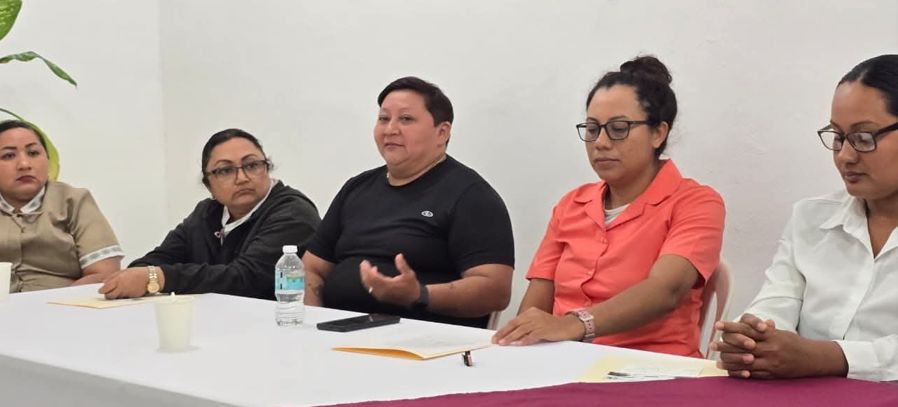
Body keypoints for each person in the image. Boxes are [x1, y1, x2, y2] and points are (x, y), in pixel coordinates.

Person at [493, 56, 725, 357]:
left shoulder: (696, 202)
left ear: (658, 133)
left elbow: (665, 290)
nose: (600, 142)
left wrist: (574, 325)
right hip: (562, 362)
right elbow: (536, 304)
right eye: (592, 129)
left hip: (651, 367)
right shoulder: (572, 204)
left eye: (618, 128)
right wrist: (523, 340)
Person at [713, 54, 898, 381]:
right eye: (838, 137)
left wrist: (828, 357)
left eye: (863, 138)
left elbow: (819, 357)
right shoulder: (811, 218)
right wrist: (751, 338)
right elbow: (776, 302)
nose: (845, 156)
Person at [302, 76, 515, 328]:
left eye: (405, 119)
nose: (390, 129)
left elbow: (494, 290)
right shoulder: (356, 188)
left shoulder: (471, 196)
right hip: (335, 331)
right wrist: (312, 322)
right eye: (383, 119)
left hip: (422, 340)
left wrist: (419, 294)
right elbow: (312, 268)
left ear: (442, 132)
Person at [100, 128, 320, 300]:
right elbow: (157, 259)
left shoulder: (293, 213)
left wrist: (159, 278)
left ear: (267, 168)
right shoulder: (207, 213)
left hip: (274, 325)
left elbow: (244, 280)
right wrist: (141, 274)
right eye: (225, 170)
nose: (242, 178)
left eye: (252, 165)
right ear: (209, 185)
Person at [0, 120, 123, 292]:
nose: (24, 164)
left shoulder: (74, 201)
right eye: (8, 156)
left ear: (47, 159)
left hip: (65, 303)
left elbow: (104, 274)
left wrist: (57, 302)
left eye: (33, 153)